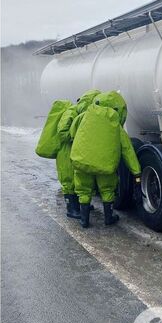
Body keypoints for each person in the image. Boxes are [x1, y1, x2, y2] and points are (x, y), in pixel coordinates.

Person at [70, 90, 141, 228]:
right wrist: (136, 172)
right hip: (105, 165)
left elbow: (73, 131)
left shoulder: (85, 115)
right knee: (107, 190)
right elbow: (127, 150)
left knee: (83, 189)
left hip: (82, 161)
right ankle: (109, 217)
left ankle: (84, 219)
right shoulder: (116, 125)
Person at [55, 90, 101, 218]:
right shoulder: (71, 112)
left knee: (78, 179)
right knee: (69, 180)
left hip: (77, 150)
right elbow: (62, 133)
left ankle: (79, 206)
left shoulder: (84, 114)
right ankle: (71, 209)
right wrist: (78, 136)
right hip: (66, 151)